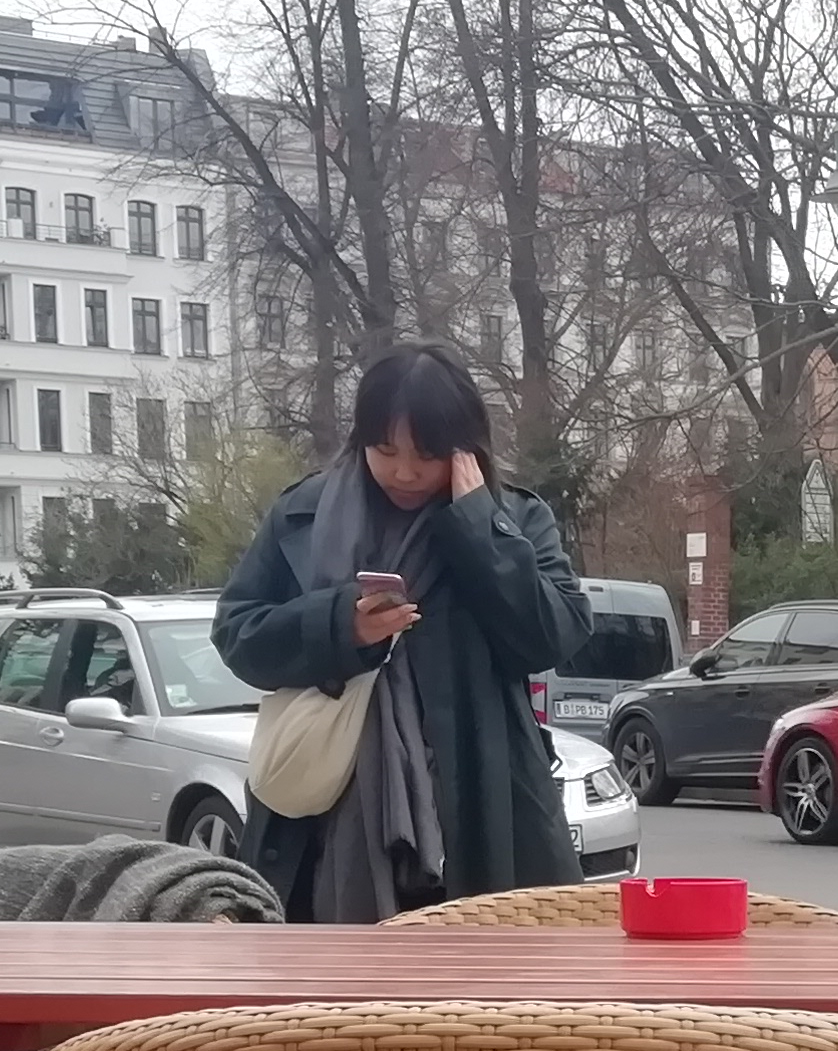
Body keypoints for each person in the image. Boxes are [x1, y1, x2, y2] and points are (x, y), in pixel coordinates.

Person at [215, 345, 593, 922]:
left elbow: (552, 635)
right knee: (331, 993)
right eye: (384, 450)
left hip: (481, 804)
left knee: (478, 994)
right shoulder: (303, 514)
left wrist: (479, 528)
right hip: (327, 809)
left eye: (428, 453)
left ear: (465, 448)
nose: (405, 472)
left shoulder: (513, 519)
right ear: (360, 440)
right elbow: (239, 634)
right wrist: (339, 624)